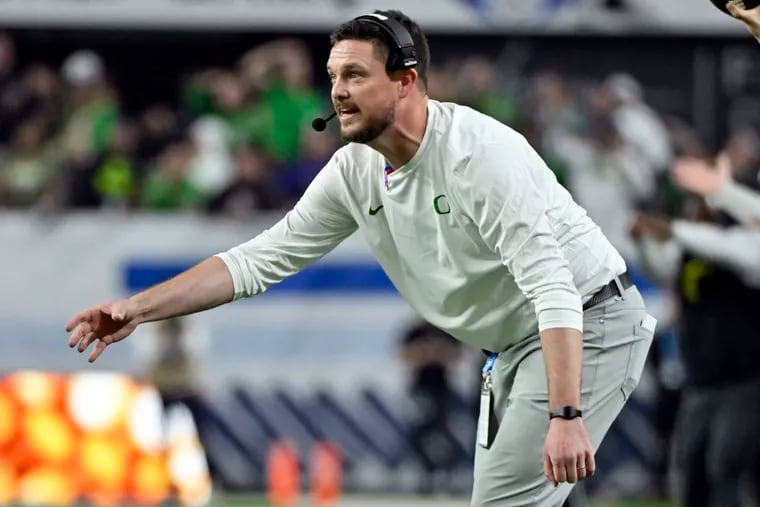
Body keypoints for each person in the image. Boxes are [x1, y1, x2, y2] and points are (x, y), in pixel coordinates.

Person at [65, 10, 656, 505]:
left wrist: (565, 413)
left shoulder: (480, 155)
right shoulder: (356, 169)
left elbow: (553, 286)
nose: (337, 91)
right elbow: (258, 260)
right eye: (332, 76)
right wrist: (138, 308)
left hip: (588, 320)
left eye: (354, 74)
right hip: (519, 344)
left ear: (406, 80)